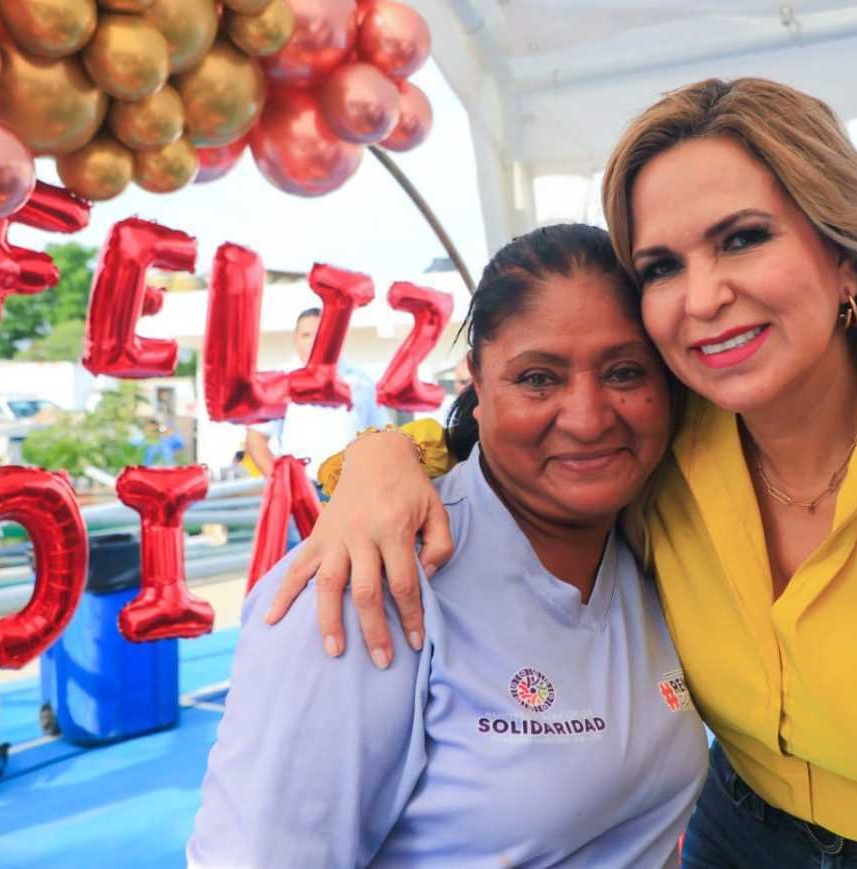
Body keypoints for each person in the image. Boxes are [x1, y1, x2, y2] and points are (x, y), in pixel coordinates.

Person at [271, 78, 857, 867]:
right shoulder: (662, 434)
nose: (702, 297)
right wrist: (379, 467)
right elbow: (511, 435)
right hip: (736, 826)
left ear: (845, 255)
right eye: (661, 267)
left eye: (742, 239)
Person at [188, 225, 708, 867]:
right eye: (538, 378)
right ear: (477, 389)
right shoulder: (367, 579)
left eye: (626, 371)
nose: (588, 416)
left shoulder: (655, 543)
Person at [245, 306, 388, 546]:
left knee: (351, 570)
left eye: (321, 335)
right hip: (301, 495)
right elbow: (256, 440)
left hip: (351, 491)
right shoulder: (280, 381)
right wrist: (284, 488)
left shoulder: (359, 381)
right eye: (305, 335)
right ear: (295, 339)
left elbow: (382, 437)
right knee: (300, 572)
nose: (313, 343)